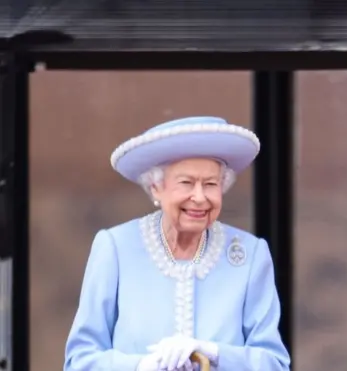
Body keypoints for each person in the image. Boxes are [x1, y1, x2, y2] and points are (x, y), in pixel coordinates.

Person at [63, 116, 291, 371]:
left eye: (211, 184)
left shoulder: (250, 255)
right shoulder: (116, 247)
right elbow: (79, 361)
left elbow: (275, 364)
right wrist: (141, 367)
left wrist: (214, 353)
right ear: (156, 188)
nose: (199, 197)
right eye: (186, 183)